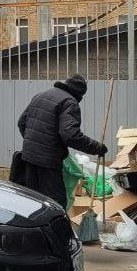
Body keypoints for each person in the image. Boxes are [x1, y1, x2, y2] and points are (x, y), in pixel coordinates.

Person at [12, 74, 108, 210]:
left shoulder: (40, 95)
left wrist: (34, 144)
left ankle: (35, 231)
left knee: (33, 202)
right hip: (48, 161)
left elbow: (22, 123)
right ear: (80, 94)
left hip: (29, 158)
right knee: (56, 204)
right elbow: (71, 135)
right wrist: (97, 147)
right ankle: (57, 231)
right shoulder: (69, 102)